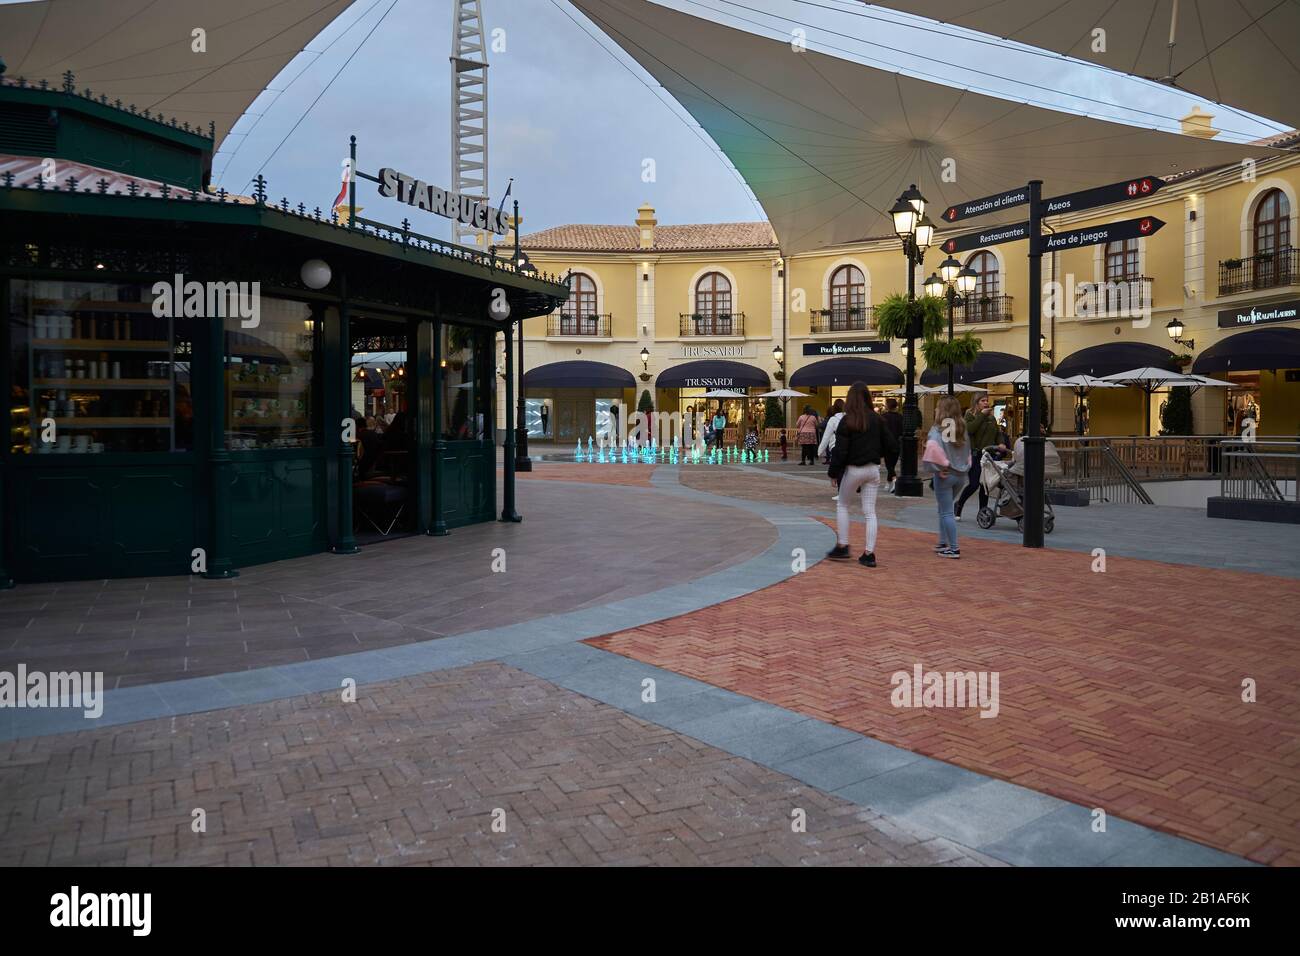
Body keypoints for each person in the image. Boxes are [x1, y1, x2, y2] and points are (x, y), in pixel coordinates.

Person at [826, 382, 897, 567]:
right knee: (869, 512)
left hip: (854, 469)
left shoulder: (847, 420)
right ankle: (869, 553)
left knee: (843, 504)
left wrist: (833, 472)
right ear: (868, 398)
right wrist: (888, 465)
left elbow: (840, 451)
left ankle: (843, 545)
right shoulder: (878, 420)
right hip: (873, 469)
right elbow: (892, 446)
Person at [923, 395, 972, 559]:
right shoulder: (962, 428)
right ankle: (943, 542)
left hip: (945, 473)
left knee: (946, 512)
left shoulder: (939, 428)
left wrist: (939, 465)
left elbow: (932, 447)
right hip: (960, 474)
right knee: (945, 509)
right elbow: (967, 452)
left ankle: (953, 547)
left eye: (938, 407)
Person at [956, 394, 1000, 520]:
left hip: (988, 455)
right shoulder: (969, 415)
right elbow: (970, 430)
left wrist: (1001, 442)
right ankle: (958, 505)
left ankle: (982, 512)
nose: (986, 403)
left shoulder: (991, 418)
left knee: (984, 485)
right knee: (974, 484)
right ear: (976, 403)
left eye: (987, 400)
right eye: (982, 401)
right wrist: (982, 415)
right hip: (974, 455)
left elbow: (997, 433)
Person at [881, 398, 903, 492]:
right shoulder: (900, 417)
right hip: (897, 443)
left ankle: (894, 480)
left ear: (887, 406)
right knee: (892, 465)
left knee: (889, 465)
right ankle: (888, 482)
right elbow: (902, 430)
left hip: (886, 444)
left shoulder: (883, 417)